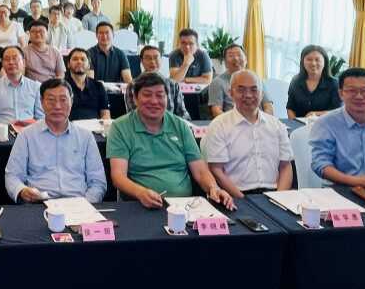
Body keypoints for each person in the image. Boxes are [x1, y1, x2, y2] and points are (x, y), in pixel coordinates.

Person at [107, 73, 234, 208]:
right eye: (147, 95)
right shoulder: (120, 127)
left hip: (184, 206)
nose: (154, 101)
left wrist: (213, 188)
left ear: (167, 98)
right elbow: (118, 176)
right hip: (139, 205)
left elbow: (200, 171)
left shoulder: (180, 126)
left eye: (160, 95)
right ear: (135, 98)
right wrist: (140, 193)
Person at [5, 78, 108, 203]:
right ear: (41, 102)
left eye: (63, 100)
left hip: (79, 203)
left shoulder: (86, 137)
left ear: (71, 101)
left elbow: (98, 182)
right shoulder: (26, 136)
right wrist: (22, 190)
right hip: (39, 204)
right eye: (51, 100)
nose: (57, 106)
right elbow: (12, 176)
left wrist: (86, 204)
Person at [202, 70, 293, 198]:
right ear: (231, 93)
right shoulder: (219, 126)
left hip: (274, 193)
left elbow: (286, 166)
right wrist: (243, 199)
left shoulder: (277, 125)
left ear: (262, 94)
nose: (248, 95)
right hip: (235, 195)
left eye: (254, 90)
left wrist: (279, 198)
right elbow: (217, 171)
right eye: (241, 90)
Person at [0, 46, 44, 127]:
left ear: (24, 62)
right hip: (3, 132)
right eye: (7, 59)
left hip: (29, 132)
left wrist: (31, 129)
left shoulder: (36, 87)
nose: (11, 62)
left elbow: (41, 117)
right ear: (2, 64)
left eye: (15, 58)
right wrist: (4, 129)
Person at [207, 44, 274, 117]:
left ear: (246, 60)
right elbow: (216, 111)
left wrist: (263, 121)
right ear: (225, 63)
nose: (236, 58)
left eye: (239, 55)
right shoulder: (217, 82)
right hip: (232, 121)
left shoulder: (256, 79)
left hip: (258, 121)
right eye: (231, 56)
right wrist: (230, 122)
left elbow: (268, 106)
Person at [125, 45, 190, 119]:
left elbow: (182, 113)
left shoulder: (172, 84)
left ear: (161, 60)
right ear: (142, 61)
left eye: (156, 58)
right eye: (148, 58)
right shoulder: (133, 85)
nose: (152, 61)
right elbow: (132, 116)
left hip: (170, 124)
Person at [286, 45, 342, 120]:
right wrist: (294, 123)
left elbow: (338, 112)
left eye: (317, 60)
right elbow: (290, 108)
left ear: (325, 62)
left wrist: (316, 114)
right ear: (302, 62)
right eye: (309, 59)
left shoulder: (334, 84)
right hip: (298, 125)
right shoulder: (295, 81)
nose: (313, 63)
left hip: (325, 125)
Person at [66, 48, 110, 121]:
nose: (79, 62)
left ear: (89, 65)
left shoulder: (98, 86)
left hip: (94, 126)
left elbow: (105, 113)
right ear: (68, 64)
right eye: (75, 59)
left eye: (83, 59)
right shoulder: (61, 86)